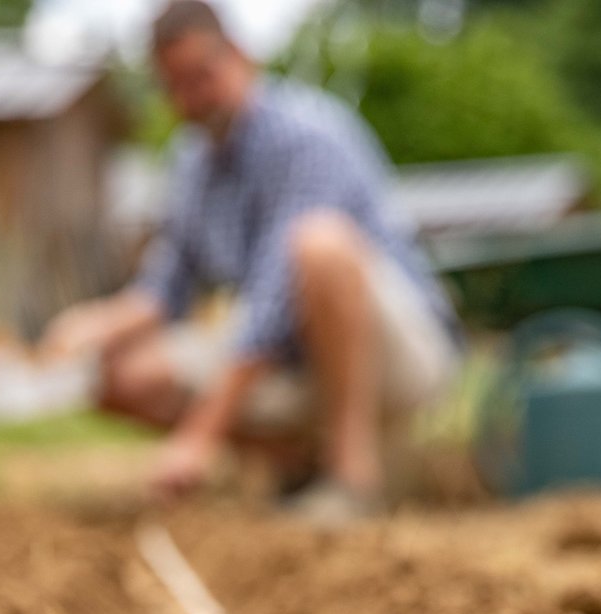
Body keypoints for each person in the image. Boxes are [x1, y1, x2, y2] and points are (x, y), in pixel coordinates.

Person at [43, 0, 461, 525]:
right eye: (175, 84)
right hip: (297, 368)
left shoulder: (309, 136)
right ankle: (297, 468)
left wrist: (199, 437)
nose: (192, 96)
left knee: (319, 245)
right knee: (123, 373)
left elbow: (271, 309)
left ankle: (354, 475)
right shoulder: (191, 164)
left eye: (202, 76)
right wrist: (94, 325)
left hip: (400, 359)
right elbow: (164, 291)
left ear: (240, 57)